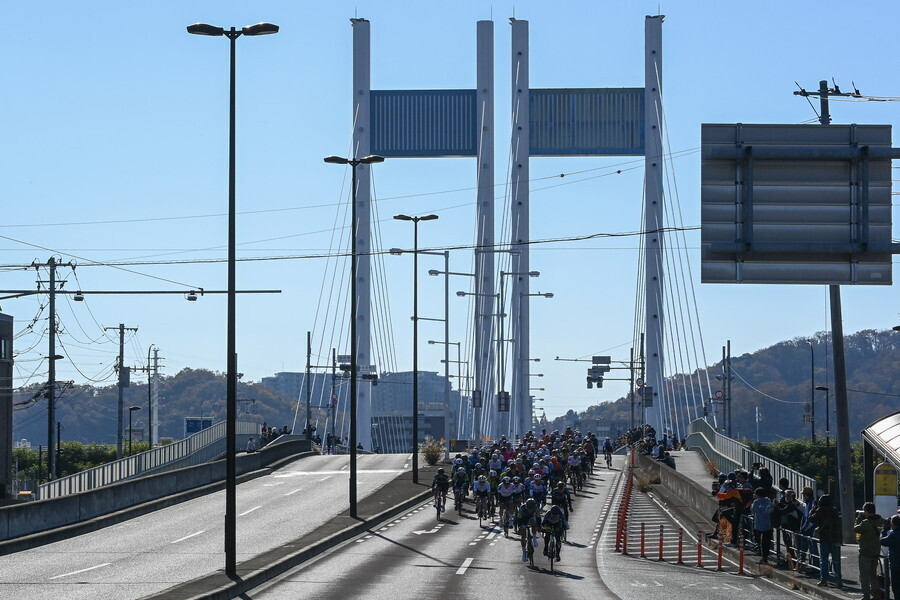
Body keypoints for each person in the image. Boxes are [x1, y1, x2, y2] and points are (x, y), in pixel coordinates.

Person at [809, 494, 842, 588]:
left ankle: (824, 579)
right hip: (835, 538)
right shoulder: (835, 510)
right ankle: (838, 579)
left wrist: (812, 510)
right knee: (836, 560)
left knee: (824, 560)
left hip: (824, 538)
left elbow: (811, 519)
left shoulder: (820, 511)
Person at [856, 502, 885, 600]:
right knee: (873, 575)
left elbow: (856, 529)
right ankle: (877, 595)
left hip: (865, 553)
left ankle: (866, 596)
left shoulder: (865, 523)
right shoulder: (880, 520)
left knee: (864, 576)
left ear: (867, 512)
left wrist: (858, 519)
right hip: (876, 552)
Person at [751, 487, 774, 564]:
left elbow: (753, 510)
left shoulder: (756, 502)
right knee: (766, 542)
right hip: (768, 524)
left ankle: (763, 558)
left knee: (760, 541)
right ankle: (765, 558)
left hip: (759, 525)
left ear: (757, 494)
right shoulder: (768, 500)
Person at [880, 514, 900, 600]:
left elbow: (883, 541)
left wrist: (885, 529)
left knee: (897, 588)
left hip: (896, 565)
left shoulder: (894, 535)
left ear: (893, 524)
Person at [515, 498, 540, 563]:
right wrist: (519, 528)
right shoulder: (522, 508)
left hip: (531, 519)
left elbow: (538, 517)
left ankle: (534, 538)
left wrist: (539, 526)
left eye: (532, 509)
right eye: (529, 508)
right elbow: (519, 519)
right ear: (526, 506)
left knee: (534, 521)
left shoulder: (536, 508)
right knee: (523, 532)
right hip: (523, 520)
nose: (530, 510)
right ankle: (524, 553)